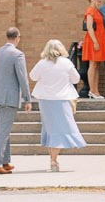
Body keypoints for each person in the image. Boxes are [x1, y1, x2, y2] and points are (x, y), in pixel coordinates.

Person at [29, 39, 86, 172]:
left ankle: (52, 159)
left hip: (45, 100)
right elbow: (76, 79)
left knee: (50, 128)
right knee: (59, 129)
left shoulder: (42, 63)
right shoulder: (66, 63)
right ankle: (53, 160)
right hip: (62, 99)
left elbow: (33, 76)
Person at [0, 25, 31, 176]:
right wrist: (27, 99)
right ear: (17, 38)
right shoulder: (17, 55)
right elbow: (23, 78)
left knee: (4, 130)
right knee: (3, 131)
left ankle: (5, 161)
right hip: (8, 98)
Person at [82, 0, 105, 98]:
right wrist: (95, 42)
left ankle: (96, 90)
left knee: (97, 65)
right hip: (94, 40)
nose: (100, 0)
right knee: (92, 64)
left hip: (100, 39)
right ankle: (92, 90)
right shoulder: (90, 11)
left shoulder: (98, 11)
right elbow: (89, 27)